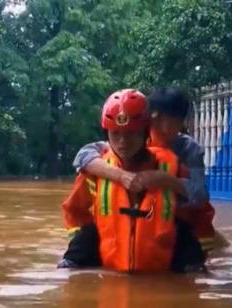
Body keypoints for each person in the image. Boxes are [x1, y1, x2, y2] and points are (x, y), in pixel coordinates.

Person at [59, 89, 205, 272]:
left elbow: (200, 199)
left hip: (164, 242)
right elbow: (74, 205)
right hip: (109, 243)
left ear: (144, 132)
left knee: (191, 249)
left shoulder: (184, 156)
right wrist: (120, 176)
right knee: (79, 249)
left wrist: (163, 179)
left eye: (131, 134)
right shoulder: (98, 163)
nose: (123, 142)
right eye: (116, 134)